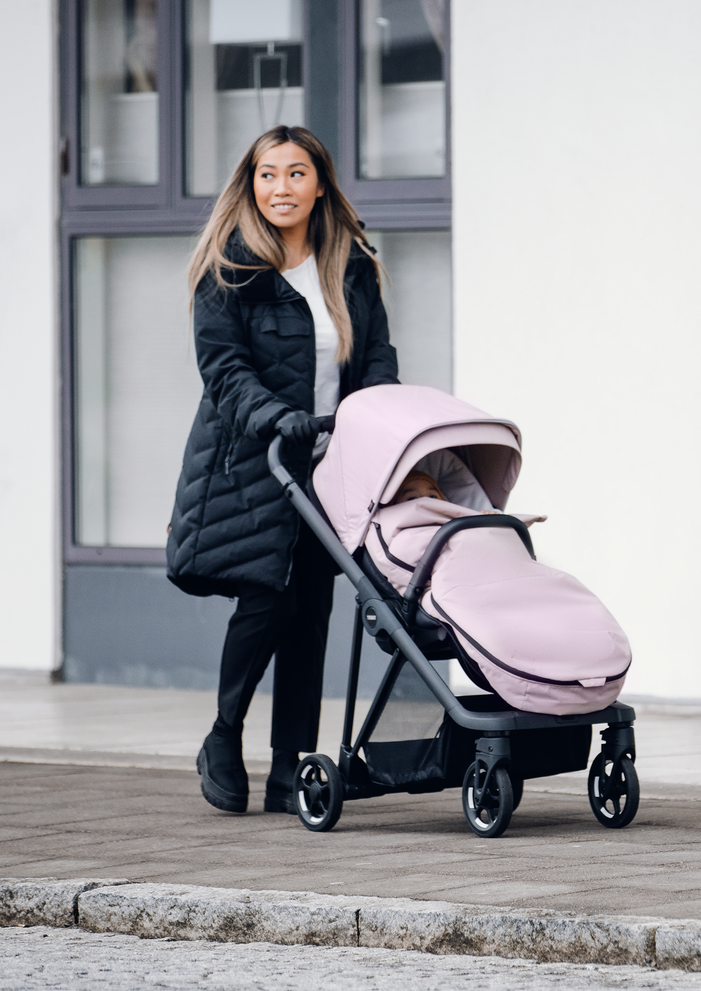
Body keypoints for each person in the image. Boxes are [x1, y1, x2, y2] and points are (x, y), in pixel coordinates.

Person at [166, 126, 398, 815]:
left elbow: (376, 356)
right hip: (253, 458)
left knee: (312, 610)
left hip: (328, 462)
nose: (281, 188)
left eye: (296, 173)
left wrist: (377, 418)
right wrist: (275, 417)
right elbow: (224, 370)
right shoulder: (229, 268)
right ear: (251, 183)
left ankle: (288, 767)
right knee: (269, 597)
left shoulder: (350, 264)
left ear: (320, 185)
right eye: (268, 175)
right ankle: (223, 735)